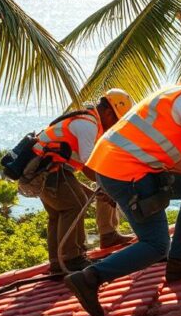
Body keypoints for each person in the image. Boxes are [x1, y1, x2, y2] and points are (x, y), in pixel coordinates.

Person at [64, 60, 181, 316]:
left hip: (126, 166)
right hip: (125, 173)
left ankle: (180, 261)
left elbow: (160, 145)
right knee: (155, 244)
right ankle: (90, 278)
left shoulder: (179, 95)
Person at [32, 89, 134, 273]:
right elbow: (89, 165)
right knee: (74, 205)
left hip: (41, 171)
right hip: (51, 170)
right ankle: (72, 259)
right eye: (116, 121)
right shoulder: (88, 125)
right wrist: (109, 187)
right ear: (109, 113)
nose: (114, 126)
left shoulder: (87, 119)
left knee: (62, 210)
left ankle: (57, 263)